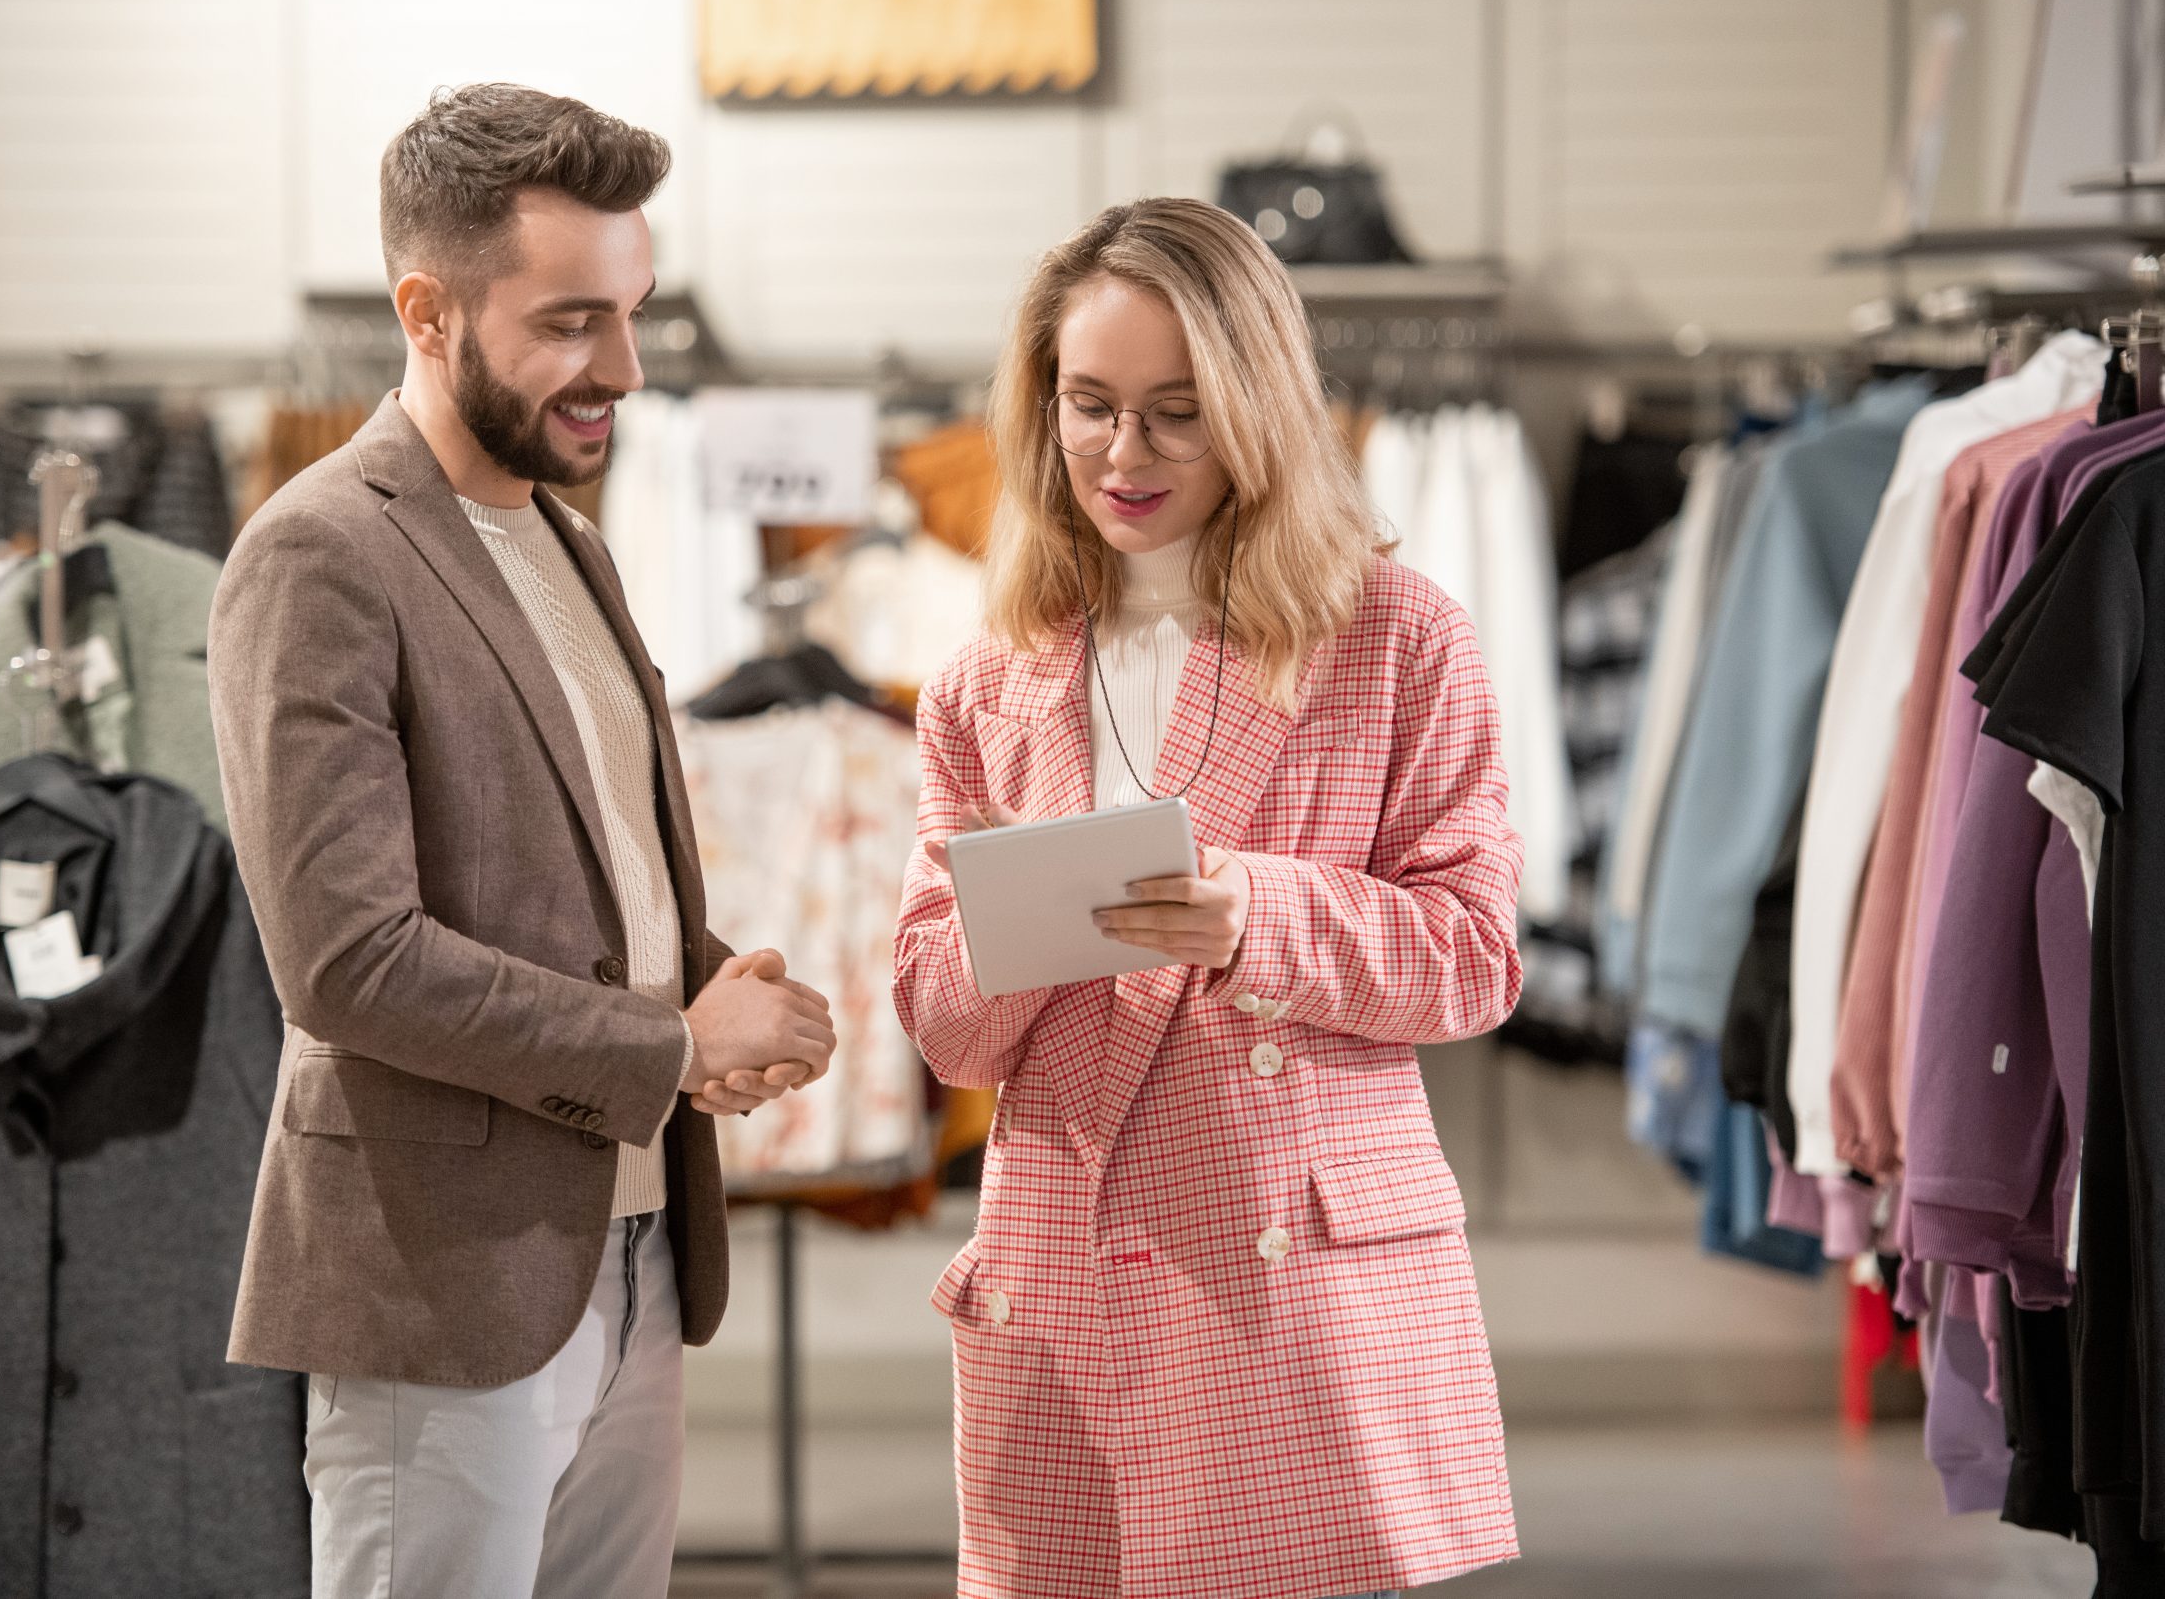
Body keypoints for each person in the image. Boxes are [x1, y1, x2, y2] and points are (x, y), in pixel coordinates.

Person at [208, 83, 837, 1599]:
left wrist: (712, 988)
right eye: (570, 322)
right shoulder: (318, 552)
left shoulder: (573, 544)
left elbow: (580, 871)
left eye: (632, 313)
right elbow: (348, 962)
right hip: (443, 1275)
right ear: (427, 311)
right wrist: (670, 1049)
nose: (619, 367)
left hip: (629, 1252)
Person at [893, 197, 1525, 1599]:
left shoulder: (1397, 641)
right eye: (1091, 406)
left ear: (1257, 406)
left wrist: (1260, 916)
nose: (1125, 455)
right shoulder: (986, 683)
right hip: (1060, 1270)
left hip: (1287, 1279)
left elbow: (1477, 957)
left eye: (1177, 412)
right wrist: (1024, 918)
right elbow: (945, 1031)